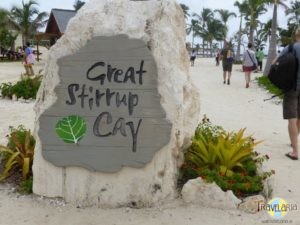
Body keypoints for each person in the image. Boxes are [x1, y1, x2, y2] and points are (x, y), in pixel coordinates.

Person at [280, 28, 300, 160]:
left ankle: (295, 152)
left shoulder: (291, 47)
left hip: (292, 87)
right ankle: (294, 141)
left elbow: (277, 62)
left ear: (297, 35)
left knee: (292, 117)